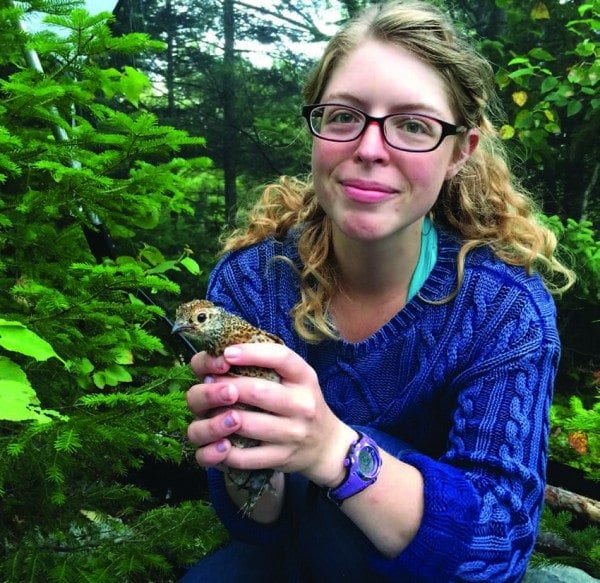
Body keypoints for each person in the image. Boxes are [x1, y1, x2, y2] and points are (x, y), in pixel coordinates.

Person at [181, 0, 575, 581]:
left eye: (413, 125)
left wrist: (331, 450)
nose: (370, 148)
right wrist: (244, 456)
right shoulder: (250, 281)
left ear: (459, 153)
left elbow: (499, 543)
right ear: (315, 128)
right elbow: (252, 524)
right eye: (344, 116)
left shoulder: (505, 310)